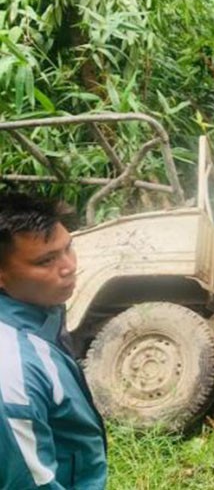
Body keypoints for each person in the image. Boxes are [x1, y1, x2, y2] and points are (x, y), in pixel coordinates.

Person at [0, 192, 107, 489]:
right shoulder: (12, 369)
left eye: (68, 248)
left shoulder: (41, 314)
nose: (68, 266)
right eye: (46, 260)